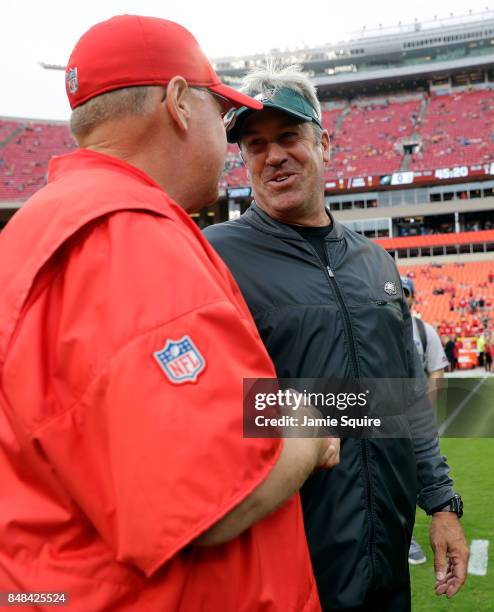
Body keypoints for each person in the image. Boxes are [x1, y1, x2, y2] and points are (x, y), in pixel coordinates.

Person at [0, 17, 340, 611]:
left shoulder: (35, 227)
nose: (259, 155)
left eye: (288, 137)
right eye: (231, 121)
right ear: (180, 103)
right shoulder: (131, 234)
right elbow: (207, 493)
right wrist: (310, 427)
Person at [204, 64, 469, 611]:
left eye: (287, 137)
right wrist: (318, 414)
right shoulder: (214, 257)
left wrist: (442, 506)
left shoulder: (377, 264)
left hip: (386, 554)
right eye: (255, 145)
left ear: (324, 142)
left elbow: (404, 400)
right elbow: (206, 409)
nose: (272, 155)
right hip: (287, 558)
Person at [401, 276, 450, 565]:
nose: (401, 297)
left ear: (412, 298)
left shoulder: (424, 329)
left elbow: (437, 371)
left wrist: (423, 413)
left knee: (415, 475)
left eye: (405, 293)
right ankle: (404, 536)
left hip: (414, 418)